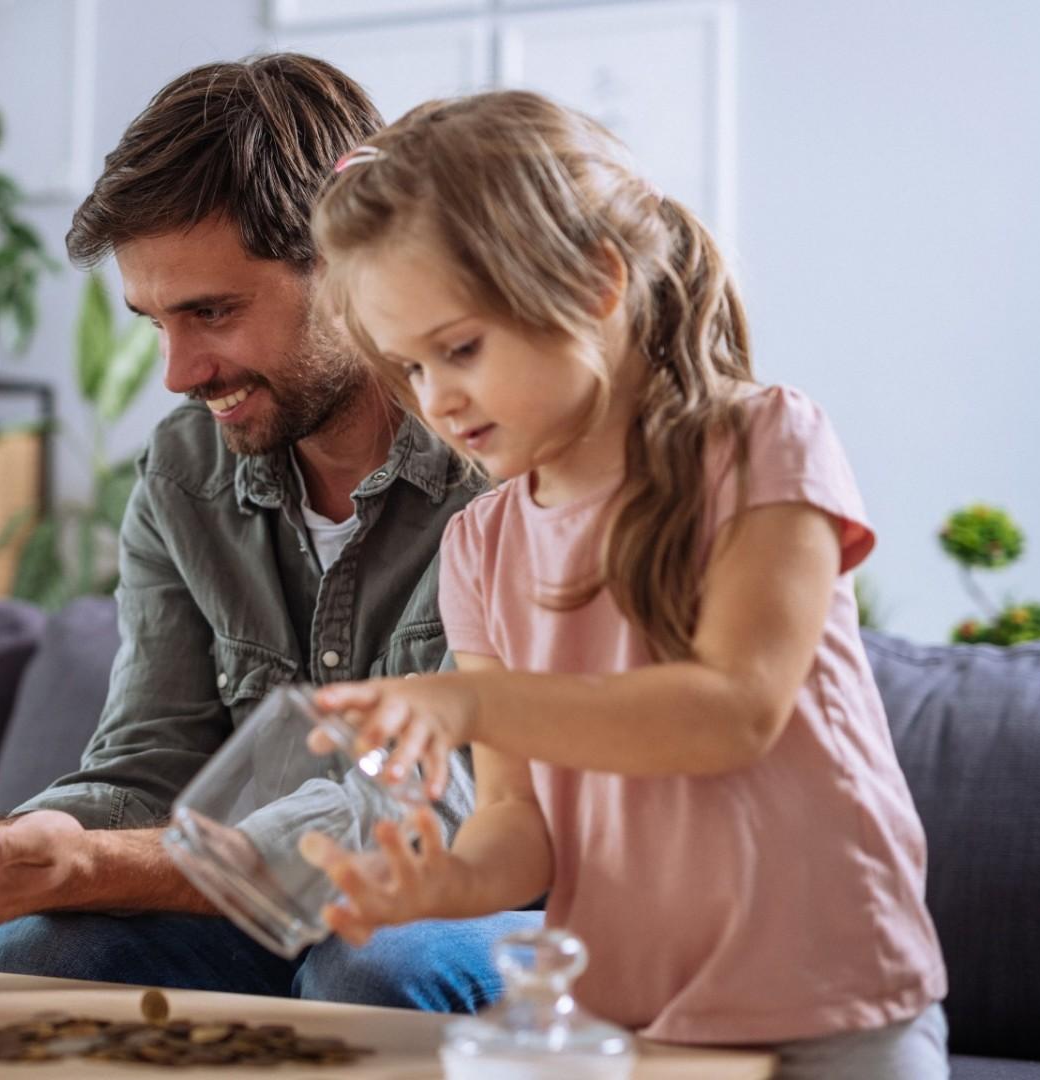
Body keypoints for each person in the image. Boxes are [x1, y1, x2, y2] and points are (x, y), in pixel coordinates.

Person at [0, 54, 538, 1012]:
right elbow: (149, 763)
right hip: (261, 911)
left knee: (373, 966)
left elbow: (441, 814)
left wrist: (79, 867)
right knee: (33, 956)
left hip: (486, 892)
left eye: (213, 312)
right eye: (155, 321)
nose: (180, 370)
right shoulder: (185, 472)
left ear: (353, 265)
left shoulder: (505, 465)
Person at [302, 91, 949, 1077]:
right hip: (630, 1020)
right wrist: (440, 887)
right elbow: (519, 826)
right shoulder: (479, 547)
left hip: (835, 1005)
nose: (437, 400)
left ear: (595, 281)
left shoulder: (763, 444)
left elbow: (728, 713)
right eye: (411, 369)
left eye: (461, 348)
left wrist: (472, 699)